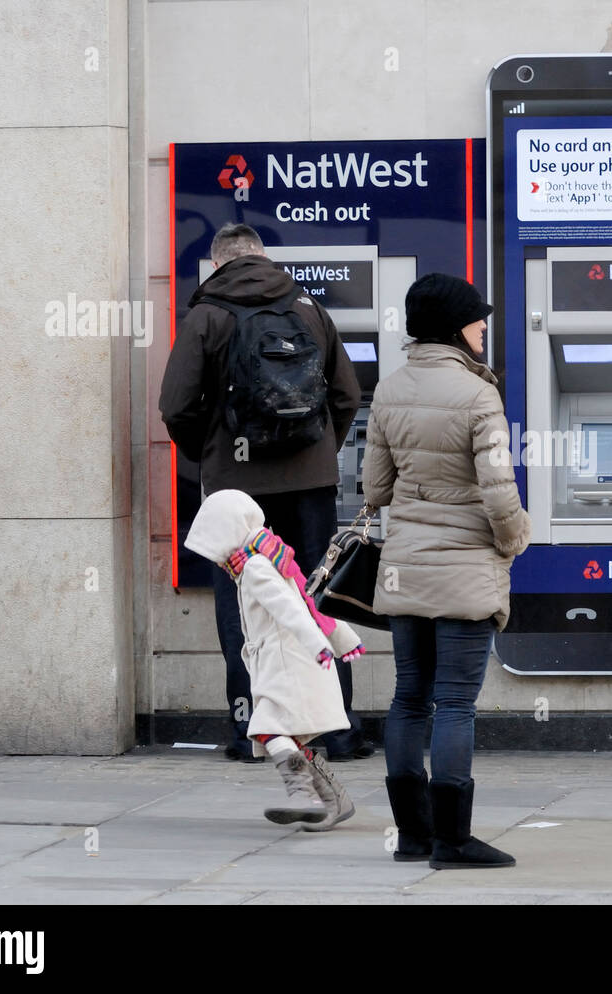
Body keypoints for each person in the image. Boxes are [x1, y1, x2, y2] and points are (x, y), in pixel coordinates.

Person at [159, 223, 372, 762]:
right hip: (311, 486)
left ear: (218, 263)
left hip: (235, 489)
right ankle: (337, 732)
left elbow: (176, 405)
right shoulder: (307, 308)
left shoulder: (206, 315)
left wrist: (211, 454)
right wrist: (318, 449)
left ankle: (251, 732)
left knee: (243, 604)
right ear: (262, 257)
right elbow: (347, 394)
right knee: (315, 599)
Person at [362, 273, 531, 869]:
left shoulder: (388, 390)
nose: (484, 325)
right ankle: (454, 842)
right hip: (463, 570)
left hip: (405, 567)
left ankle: (413, 834)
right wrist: (514, 541)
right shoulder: (479, 396)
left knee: (411, 699)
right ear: (454, 327)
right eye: (476, 317)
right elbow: (498, 490)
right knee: (456, 704)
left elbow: (375, 488)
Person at [183, 489, 363, 829]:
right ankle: (334, 798)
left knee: (266, 728)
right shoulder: (263, 558)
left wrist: (318, 644)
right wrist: (334, 640)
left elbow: (291, 608)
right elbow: (308, 602)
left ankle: (302, 795)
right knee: (286, 737)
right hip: (282, 661)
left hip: (286, 664)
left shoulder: (254, 567)